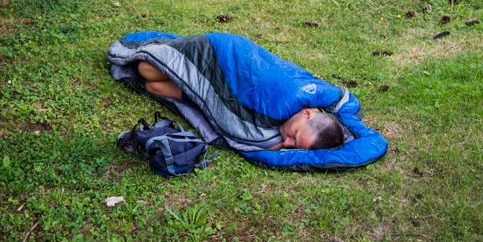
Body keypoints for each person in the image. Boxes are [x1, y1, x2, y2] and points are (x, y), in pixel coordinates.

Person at [135, 61, 345, 151]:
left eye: (293, 146)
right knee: (145, 69)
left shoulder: (283, 131)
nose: (287, 143)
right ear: (307, 113)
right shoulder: (296, 95)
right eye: (294, 136)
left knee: (153, 86)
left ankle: (193, 90)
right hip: (223, 64)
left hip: (213, 92)